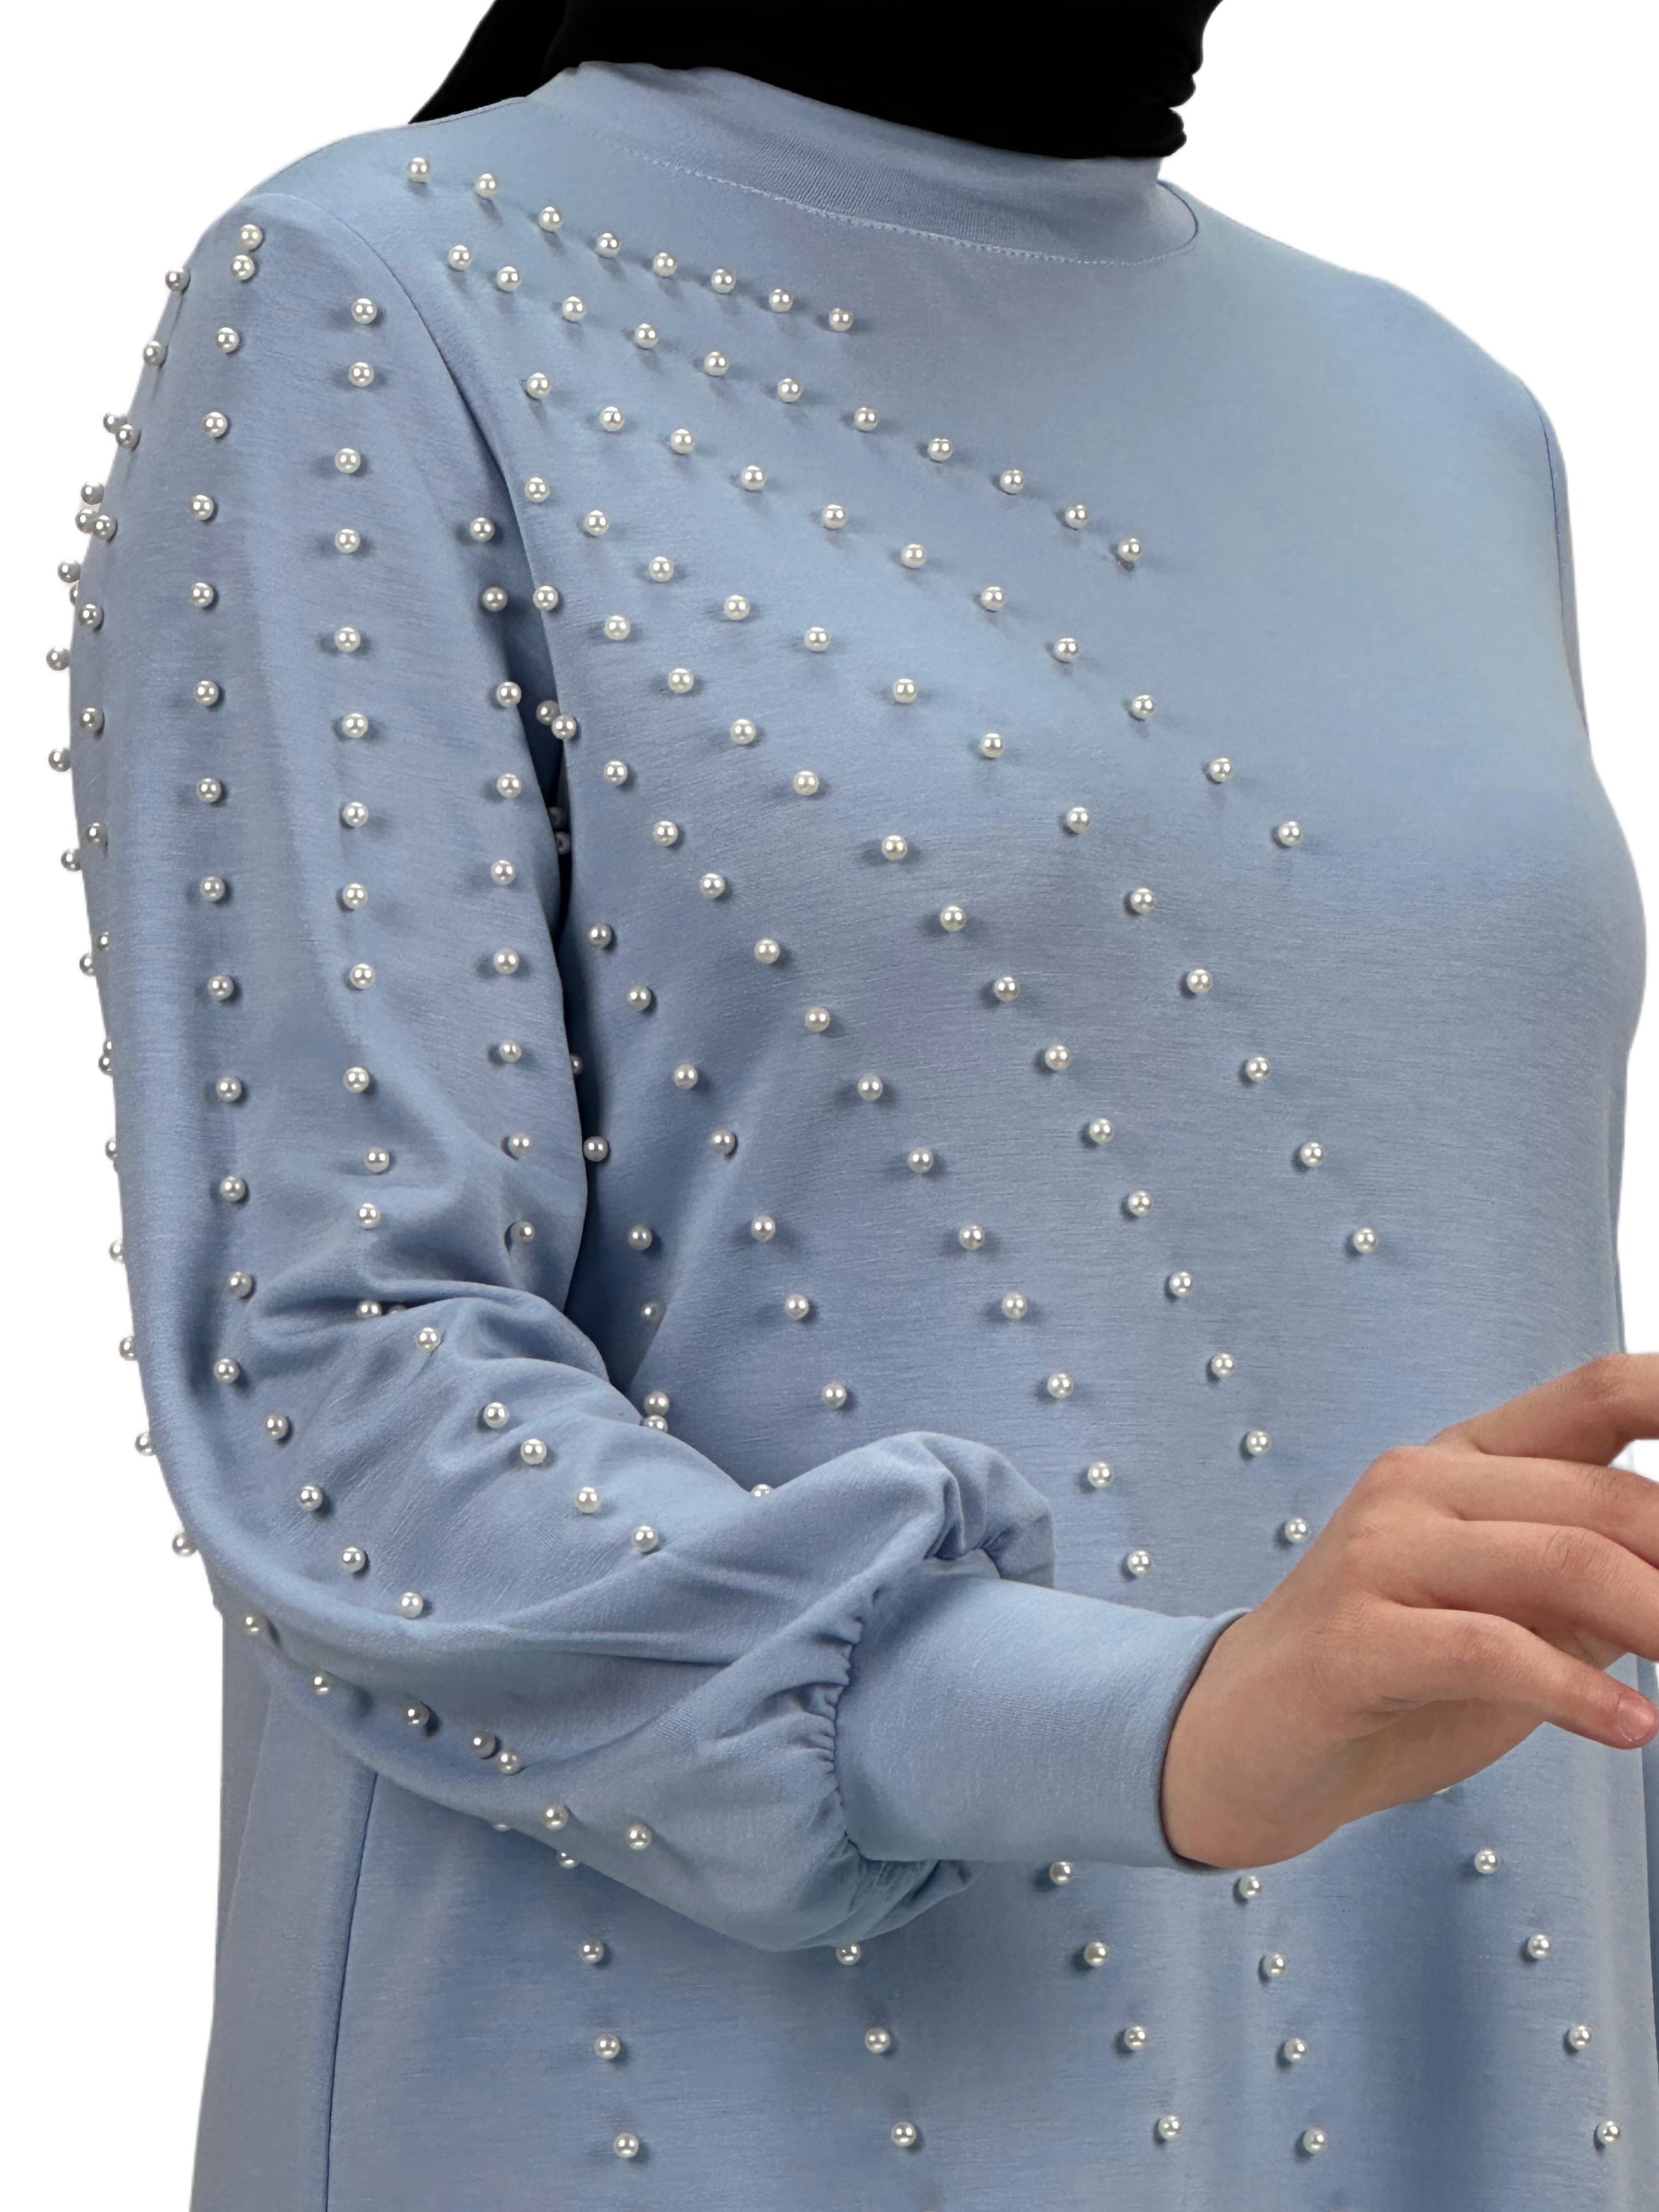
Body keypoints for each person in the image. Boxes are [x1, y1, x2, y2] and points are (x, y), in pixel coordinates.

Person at [56, 3, 1659, 2205]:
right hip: (701, 2115)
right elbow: (337, 1367)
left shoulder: (1451, 412)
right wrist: (1151, 1715)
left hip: (1469, 2087)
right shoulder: (389, 300)